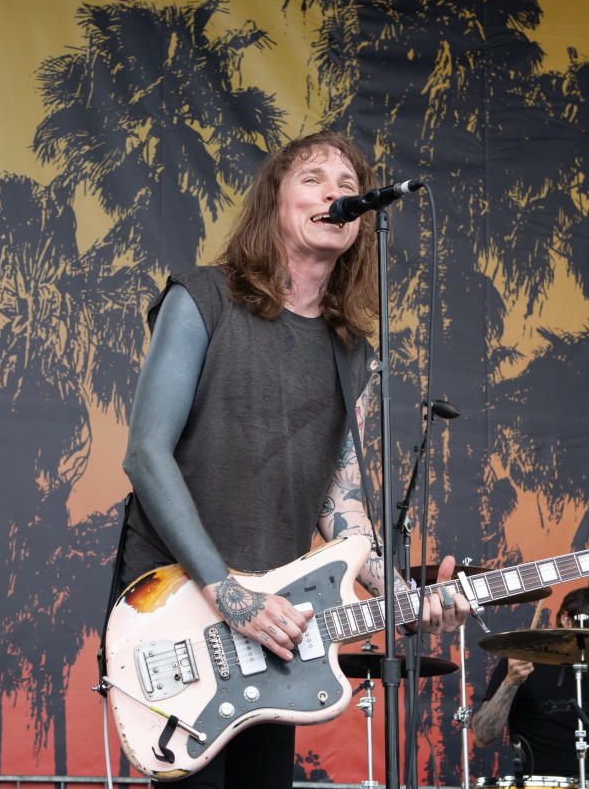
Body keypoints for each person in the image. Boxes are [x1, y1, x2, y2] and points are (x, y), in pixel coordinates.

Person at [117, 129, 470, 788]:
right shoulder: (201, 299)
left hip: (276, 623)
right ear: (273, 203)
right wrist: (228, 592)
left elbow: (342, 507)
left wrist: (403, 595)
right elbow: (146, 455)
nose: (336, 192)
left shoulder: (349, 353)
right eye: (313, 178)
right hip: (181, 606)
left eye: (347, 184)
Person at [471, 586, 589, 781]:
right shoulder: (521, 662)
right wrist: (510, 682)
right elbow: (482, 736)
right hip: (544, 784)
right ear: (565, 619)